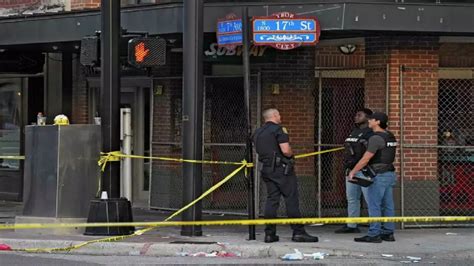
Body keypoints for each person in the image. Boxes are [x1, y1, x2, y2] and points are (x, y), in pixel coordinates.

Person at [253, 108, 318, 243]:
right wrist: (291, 155)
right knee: (291, 199)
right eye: (279, 114)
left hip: (266, 168)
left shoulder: (258, 132)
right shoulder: (279, 130)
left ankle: (269, 234)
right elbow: (286, 150)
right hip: (281, 169)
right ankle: (298, 232)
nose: (280, 116)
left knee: (272, 200)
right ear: (275, 115)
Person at [348, 112, 397, 243]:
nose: (369, 121)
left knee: (374, 205)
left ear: (378, 122)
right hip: (389, 174)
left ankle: (374, 233)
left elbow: (366, 157)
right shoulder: (390, 136)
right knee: (388, 205)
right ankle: (388, 232)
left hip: (378, 175)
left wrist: (353, 171)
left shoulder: (376, 138)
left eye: (372, 119)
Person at [335, 108, 373, 234]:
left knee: (370, 199)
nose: (356, 117)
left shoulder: (370, 133)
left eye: (359, 115)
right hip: (351, 169)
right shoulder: (354, 132)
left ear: (367, 118)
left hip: (364, 170)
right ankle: (352, 225)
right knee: (352, 198)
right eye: (356, 115)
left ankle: (376, 226)